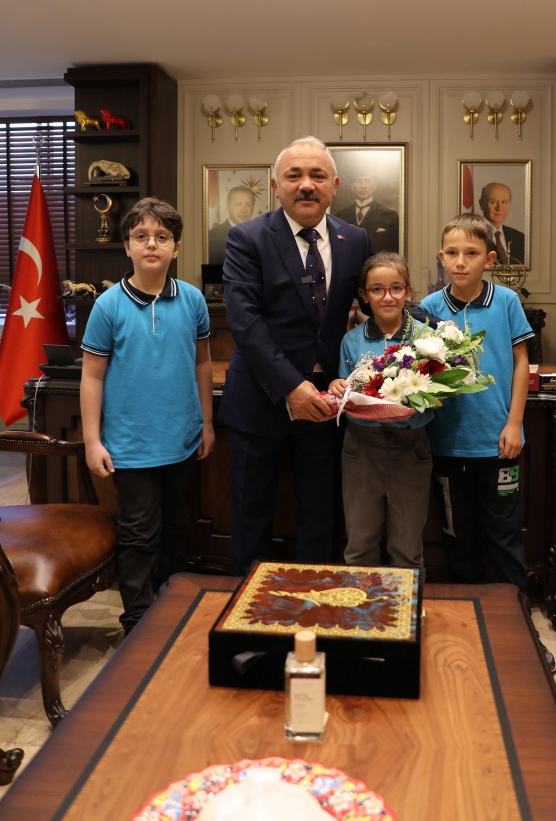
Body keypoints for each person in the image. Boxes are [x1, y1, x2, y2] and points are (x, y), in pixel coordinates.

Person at [218, 135, 371, 574]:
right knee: (251, 514)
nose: (306, 184)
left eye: (317, 175)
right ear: (275, 185)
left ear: (334, 186)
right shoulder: (247, 238)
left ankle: (316, 597)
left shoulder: (354, 239)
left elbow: (374, 301)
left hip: (327, 401)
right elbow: (244, 321)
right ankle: (249, 601)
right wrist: (292, 386)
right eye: (294, 175)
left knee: (320, 514)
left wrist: (432, 329)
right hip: (260, 397)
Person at [80, 197, 215, 634]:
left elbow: (202, 364)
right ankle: (137, 620)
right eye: (141, 236)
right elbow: (92, 377)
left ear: (177, 248)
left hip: (182, 439)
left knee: (177, 526)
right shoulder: (108, 305)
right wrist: (92, 440)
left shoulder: (192, 300)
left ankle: (169, 604)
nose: (151, 244)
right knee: (139, 534)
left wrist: (207, 423)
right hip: (129, 445)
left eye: (162, 237)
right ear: (127, 247)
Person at [419, 213, 533, 591]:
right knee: (458, 535)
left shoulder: (507, 301)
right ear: (441, 257)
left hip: (499, 443)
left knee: (503, 534)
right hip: (448, 445)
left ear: (489, 259)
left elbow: (521, 362)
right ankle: (467, 610)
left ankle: (512, 612)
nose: (460, 262)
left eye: (471, 253)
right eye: (452, 253)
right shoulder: (429, 306)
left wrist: (514, 423)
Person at [328, 252, 433, 587]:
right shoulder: (352, 340)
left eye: (396, 288)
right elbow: (344, 389)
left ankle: (406, 613)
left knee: (407, 548)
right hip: (362, 448)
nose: (387, 297)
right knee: (360, 545)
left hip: (411, 448)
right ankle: (363, 612)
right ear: (364, 295)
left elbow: (439, 391)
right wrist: (337, 385)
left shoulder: (428, 339)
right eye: (377, 289)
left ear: (408, 291)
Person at [335, 173, 399, 253]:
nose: (363, 186)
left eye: (367, 181)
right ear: (352, 187)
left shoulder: (390, 216)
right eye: (358, 181)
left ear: (375, 186)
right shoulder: (341, 216)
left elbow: (394, 252)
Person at [208, 185, 256, 264]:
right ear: (227, 207)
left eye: (248, 204)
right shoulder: (211, 237)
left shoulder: (262, 236)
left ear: (253, 207)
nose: (244, 210)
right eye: (238, 204)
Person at [479, 182, 525, 264]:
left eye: (503, 202)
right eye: (493, 202)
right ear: (481, 204)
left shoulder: (520, 238)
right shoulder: (472, 235)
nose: (499, 208)